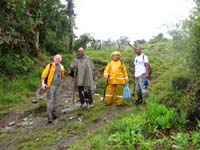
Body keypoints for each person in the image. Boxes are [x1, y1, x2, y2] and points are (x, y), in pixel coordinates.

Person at [41, 54, 65, 123]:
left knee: (56, 101)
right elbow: (44, 74)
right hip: (50, 86)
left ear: (61, 60)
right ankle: (49, 117)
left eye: (59, 58)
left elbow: (62, 76)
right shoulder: (50, 65)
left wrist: (62, 83)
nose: (58, 59)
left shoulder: (61, 66)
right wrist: (43, 83)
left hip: (58, 86)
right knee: (50, 101)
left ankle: (54, 114)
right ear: (54, 59)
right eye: (56, 58)